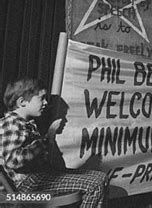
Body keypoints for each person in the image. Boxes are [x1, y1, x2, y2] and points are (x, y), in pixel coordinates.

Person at [0, 78, 108, 207]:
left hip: (39, 178)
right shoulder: (11, 124)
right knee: (95, 184)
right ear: (22, 102)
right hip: (28, 186)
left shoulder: (25, 123)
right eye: (41, 98)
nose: (45, 102)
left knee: (100, 177)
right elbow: (13, 160)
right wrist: (45, 140)